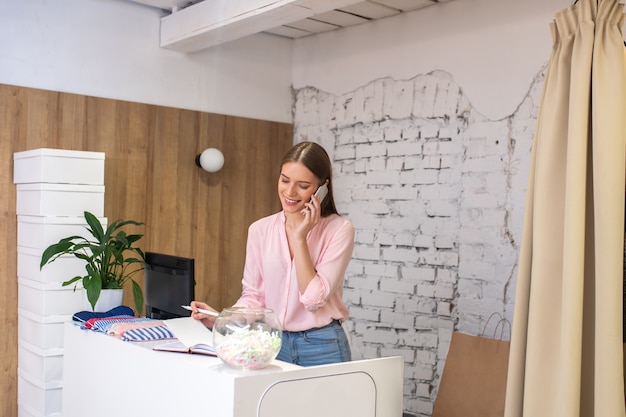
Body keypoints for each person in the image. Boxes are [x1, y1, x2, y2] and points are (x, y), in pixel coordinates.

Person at [190, 141, 354, 366]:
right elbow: (254, 296)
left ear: (321, 188)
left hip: (322, 346)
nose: (289, 192)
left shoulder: (339, 229)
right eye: (284, 180)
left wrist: (299, 238)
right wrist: (223, 319)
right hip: (274, 343)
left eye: (303, 185)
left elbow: (314, 299)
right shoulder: (260, 230)